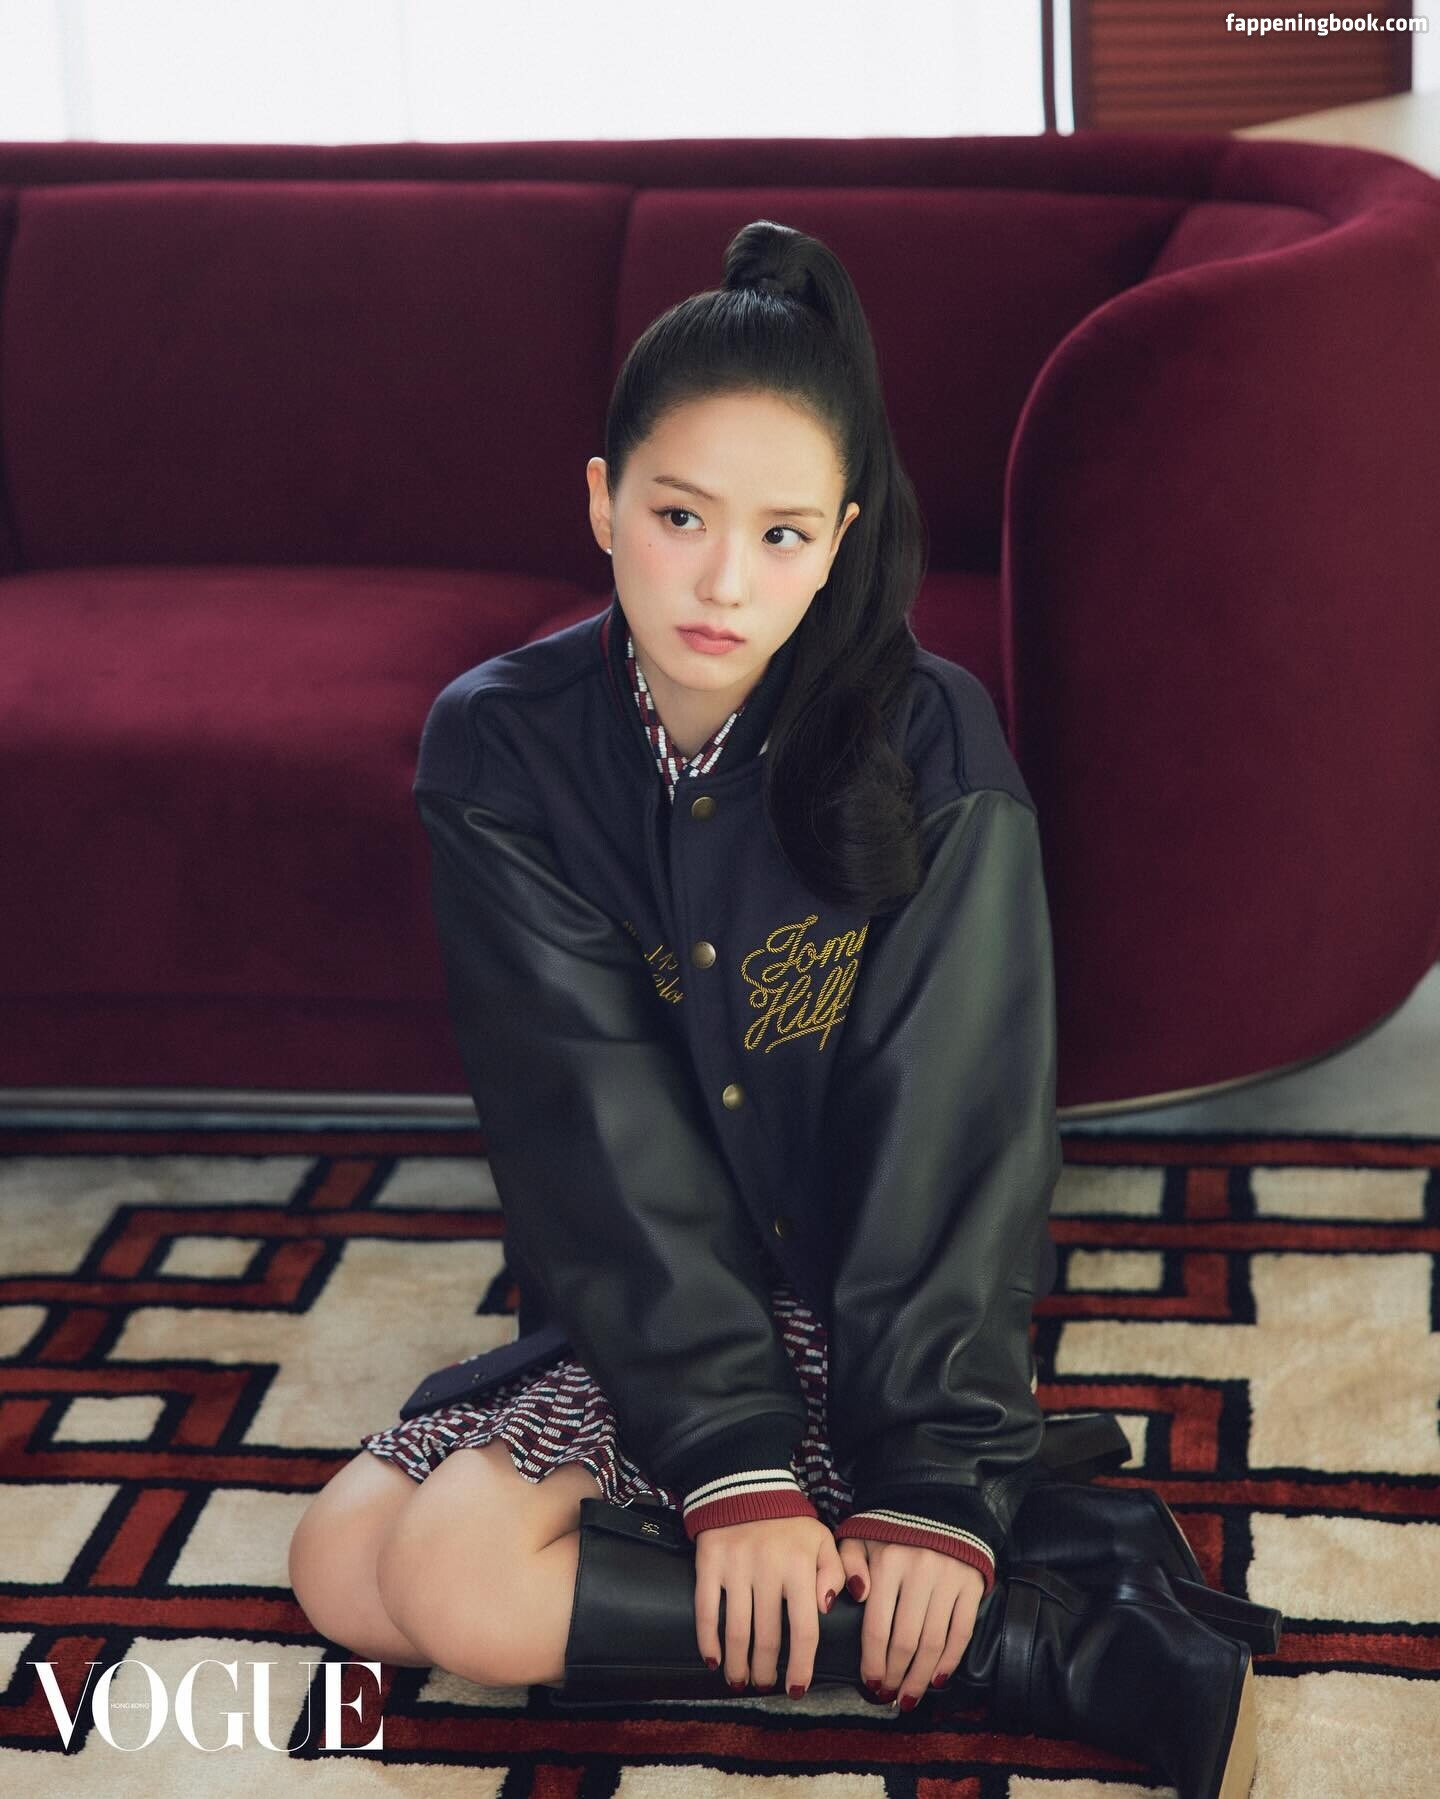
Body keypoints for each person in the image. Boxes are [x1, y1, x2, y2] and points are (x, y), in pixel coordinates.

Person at [288, 218, 1064, 1715]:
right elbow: (585, 1120)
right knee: (343, 1571)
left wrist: (934, 1481)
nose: (723, 581)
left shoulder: (932, 740)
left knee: (459, 1583)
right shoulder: (502, 746)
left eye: (782, 534)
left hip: (867, 1308)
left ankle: (1006, 1618)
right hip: (645, 1289)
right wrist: (731, 1457)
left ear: (838, 541)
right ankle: (1011, 1642)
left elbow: (957, 1125)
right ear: (602, 501)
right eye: (679, 515)